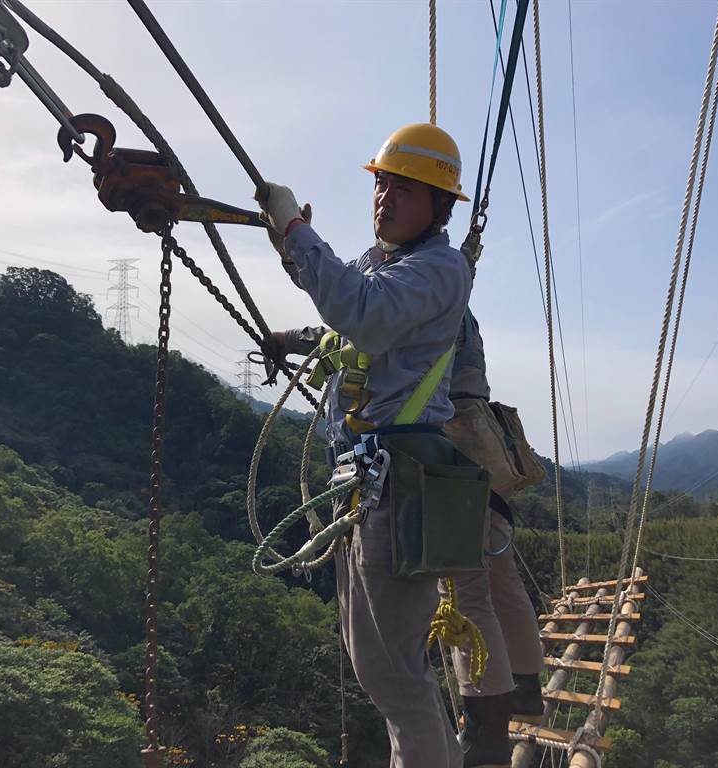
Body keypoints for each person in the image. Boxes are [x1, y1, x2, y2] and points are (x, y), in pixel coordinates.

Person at [258, 123, 504, 768]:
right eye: (382, 184)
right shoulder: (387, 263)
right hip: (371, 482)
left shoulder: (440, 268)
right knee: (380, 667)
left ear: (439, 205)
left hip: (395, 484)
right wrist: (293, 259)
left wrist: (295, 231)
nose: (385, 198)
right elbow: (346, 308)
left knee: (393, 672)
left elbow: (362, 313)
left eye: (404, 189)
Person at [442, 308, 547, 766]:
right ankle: (525, 687)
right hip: (483, 442)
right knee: (499, 580)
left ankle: (485, 732)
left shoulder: (425, 286)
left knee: (463, 589)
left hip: (450, 445)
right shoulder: (457, 302)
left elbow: (373, 326)